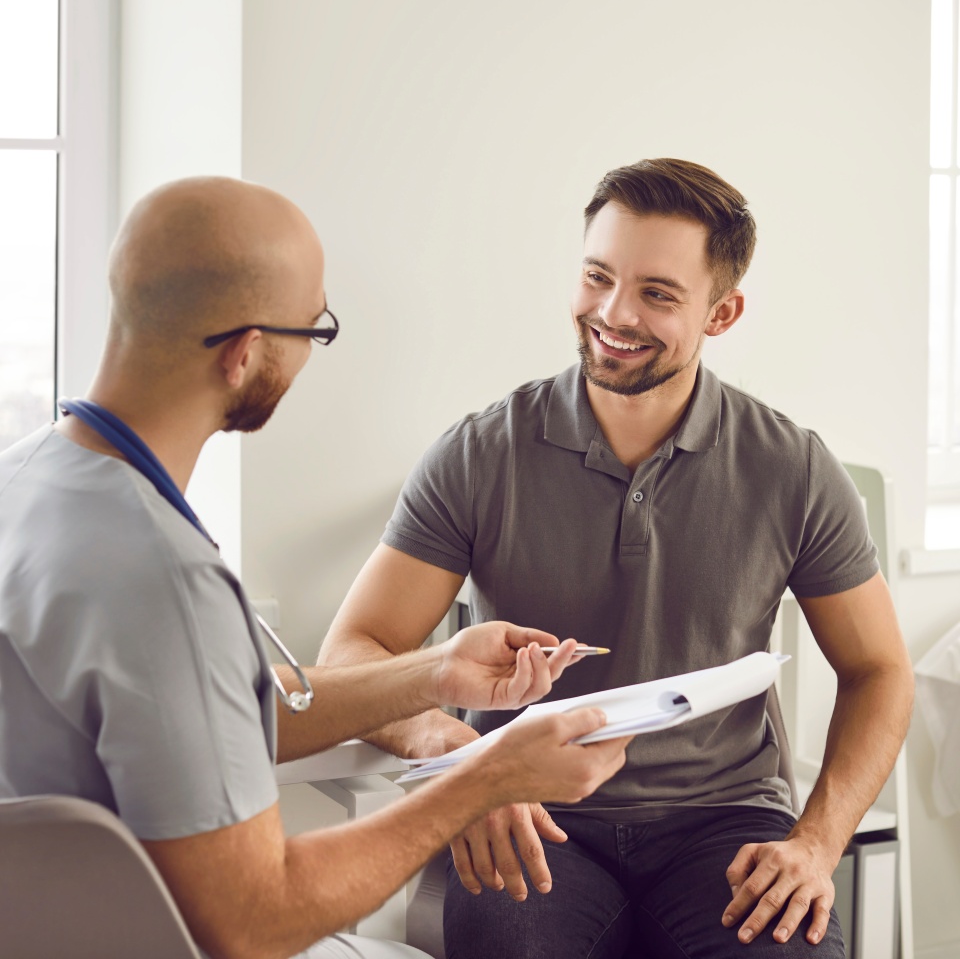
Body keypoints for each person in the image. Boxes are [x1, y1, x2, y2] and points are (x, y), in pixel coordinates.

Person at [0, 176, 633, 959]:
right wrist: (487, 778)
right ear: (244, 353)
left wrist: (433, 673)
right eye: (314, 328)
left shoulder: (27, 483)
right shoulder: (166, 581)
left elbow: (203, 718)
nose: (311, 351)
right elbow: (254, 920)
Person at [318, 158, 915, 957]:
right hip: (529, 810)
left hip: (725, 824)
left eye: (657, 294)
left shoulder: (794, 469)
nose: (613, 313)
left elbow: (880, 669)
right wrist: (462, 759)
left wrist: (818, 841)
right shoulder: (478, 454)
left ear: (723, 313)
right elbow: (355, 653)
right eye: (598, 277)